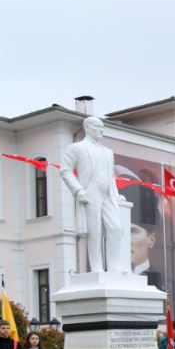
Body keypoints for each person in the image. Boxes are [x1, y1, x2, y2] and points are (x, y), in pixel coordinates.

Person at [60, 116, 130, 273]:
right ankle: (97, 266)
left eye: (102, 127)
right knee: (94, 231)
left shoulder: (108, 152)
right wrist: (78, 190)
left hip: (108, 193)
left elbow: (110, 176)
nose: (101, 130)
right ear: (87, 128)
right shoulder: (77, 148)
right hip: (90, 191)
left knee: (115, 227)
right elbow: (65, 170)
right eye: (97, 127)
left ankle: (113, 266)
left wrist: (116, 194)